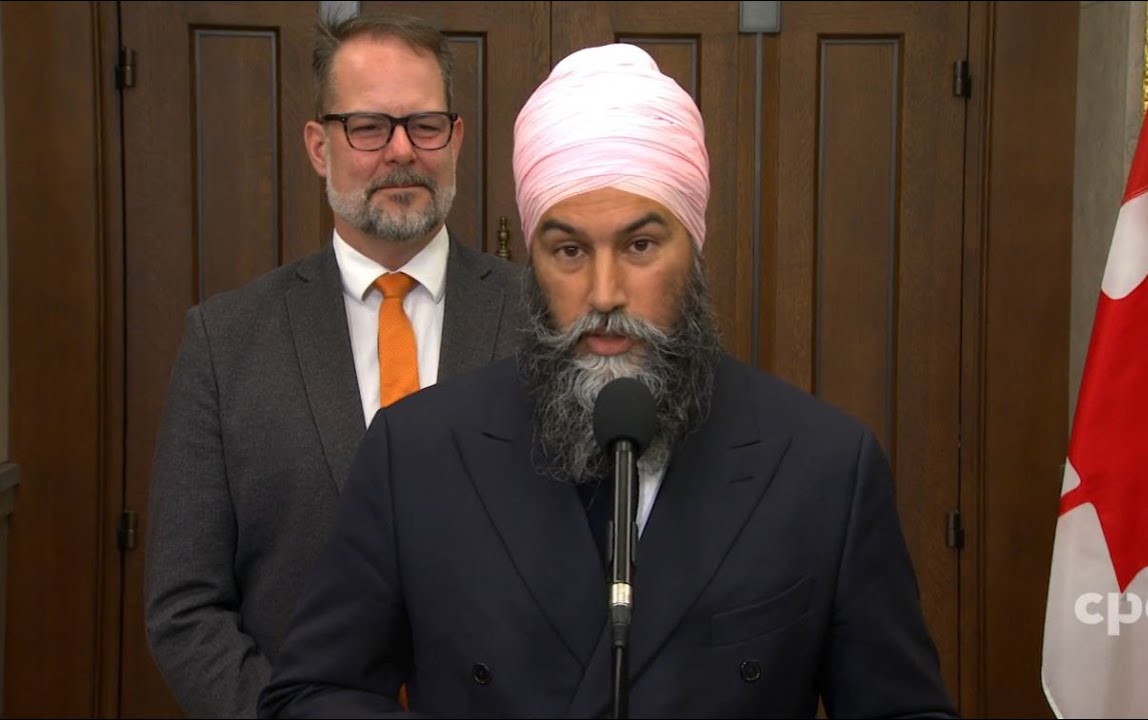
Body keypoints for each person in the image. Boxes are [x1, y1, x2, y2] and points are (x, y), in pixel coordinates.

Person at [258, 43, 956, 719]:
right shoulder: (415, 453)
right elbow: (314, 692)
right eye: (567, 251)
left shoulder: (825, 465)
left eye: (640, 246)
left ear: (695, 248)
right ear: (532, 260)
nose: (604, 291)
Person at [144, 13, 524, 719]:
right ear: (319, 146)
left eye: (425, 124)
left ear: (457, 138)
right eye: (369, 127)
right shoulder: (224, 343)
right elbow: (183, 604)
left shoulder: (539, 322)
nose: (402, 151)